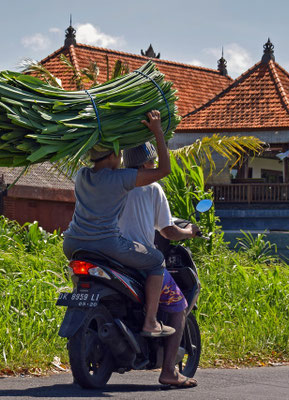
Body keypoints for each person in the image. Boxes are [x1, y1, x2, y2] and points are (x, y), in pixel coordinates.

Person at [63, 110, 175, 338]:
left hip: (72, 244)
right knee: (156, 260)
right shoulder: (120, 178)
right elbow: (164, 170)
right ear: (114, 154)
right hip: (105, 244)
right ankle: (151, 321)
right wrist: (158, 133)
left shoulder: (82, 175)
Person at [118, 142, 199, 388]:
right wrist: (188, 232)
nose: (154, 165)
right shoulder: (153, 189)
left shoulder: (113, 184)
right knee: (178, 306)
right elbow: (168, 231)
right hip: (138, 259)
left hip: (109, 256)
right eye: (152, 162)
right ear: (145, 164)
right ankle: (168, 372)